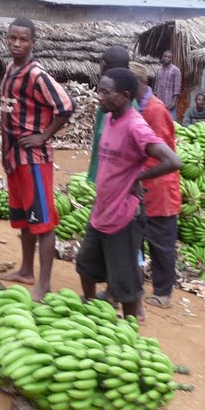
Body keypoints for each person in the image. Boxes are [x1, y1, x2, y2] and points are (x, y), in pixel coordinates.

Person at [76, 68, 181, 319]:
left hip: (122, 216)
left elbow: (172, 160)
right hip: (101, 209)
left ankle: (131, 327)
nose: (99, 96)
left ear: (124, 96)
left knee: (126, 284)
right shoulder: (111, 119)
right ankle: (90, 315)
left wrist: (137, 177)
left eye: (105, 92)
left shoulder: (136, 125)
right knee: (85, 266)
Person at [0, 17, 75, 299]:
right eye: (12, 38)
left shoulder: (36, 75)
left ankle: (44, 283)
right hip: (13, 158)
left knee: (42, 221)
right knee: (25, 218)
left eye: (23, 39)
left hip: (33, 159)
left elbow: (66, 106)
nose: (16, 44)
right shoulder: (10, 68)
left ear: (33, 42)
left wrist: (44, 135)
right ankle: (26, 269)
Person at [132, 63, 181, 309]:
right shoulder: (137, 108)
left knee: (161, 242)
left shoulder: (155, 110)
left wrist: (136, 174)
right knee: (139, 236)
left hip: (159, 185)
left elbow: (163, 155)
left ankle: (163, 293)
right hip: (144, 185)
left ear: (139, 83)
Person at [87, 45, 132, 184]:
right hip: (101, 184)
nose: (100, 97)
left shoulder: (130, 115)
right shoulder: (107, 107)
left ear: (105, 68)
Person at [153, 49, 182, 117]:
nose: (167, 58)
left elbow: (177, 88)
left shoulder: (175, 70)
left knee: (171, 124)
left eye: (169, 57)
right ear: (162, 57)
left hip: (169, 104)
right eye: (165, 56)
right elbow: (156, 87)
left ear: (171, 59)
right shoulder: (159, 70)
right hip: (159, 103)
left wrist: (173, 102)